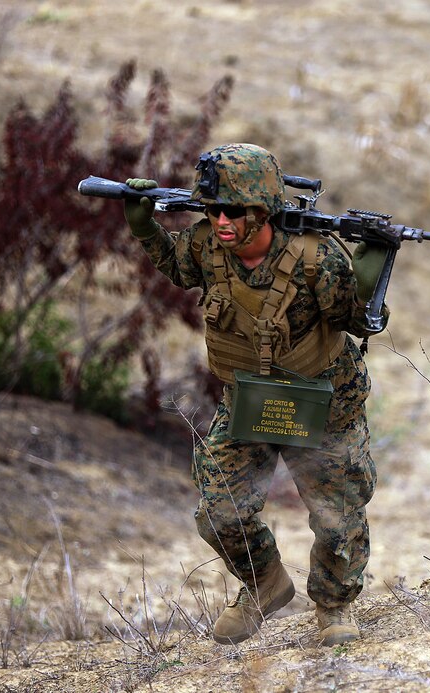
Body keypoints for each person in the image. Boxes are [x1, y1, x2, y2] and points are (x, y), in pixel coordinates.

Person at [122, 143, 388, 645]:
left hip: (324, 398)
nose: (221, 220)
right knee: (220, 510)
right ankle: (265, 584)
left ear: (262, 211)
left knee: (337, 517)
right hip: (251, 398)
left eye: (234, 211)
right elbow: (179, 268)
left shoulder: (316, 256)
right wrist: (144, 228)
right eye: (212, 208)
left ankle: (334, 608)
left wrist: (366, 275)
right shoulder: (206, 245)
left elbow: (357, 321)